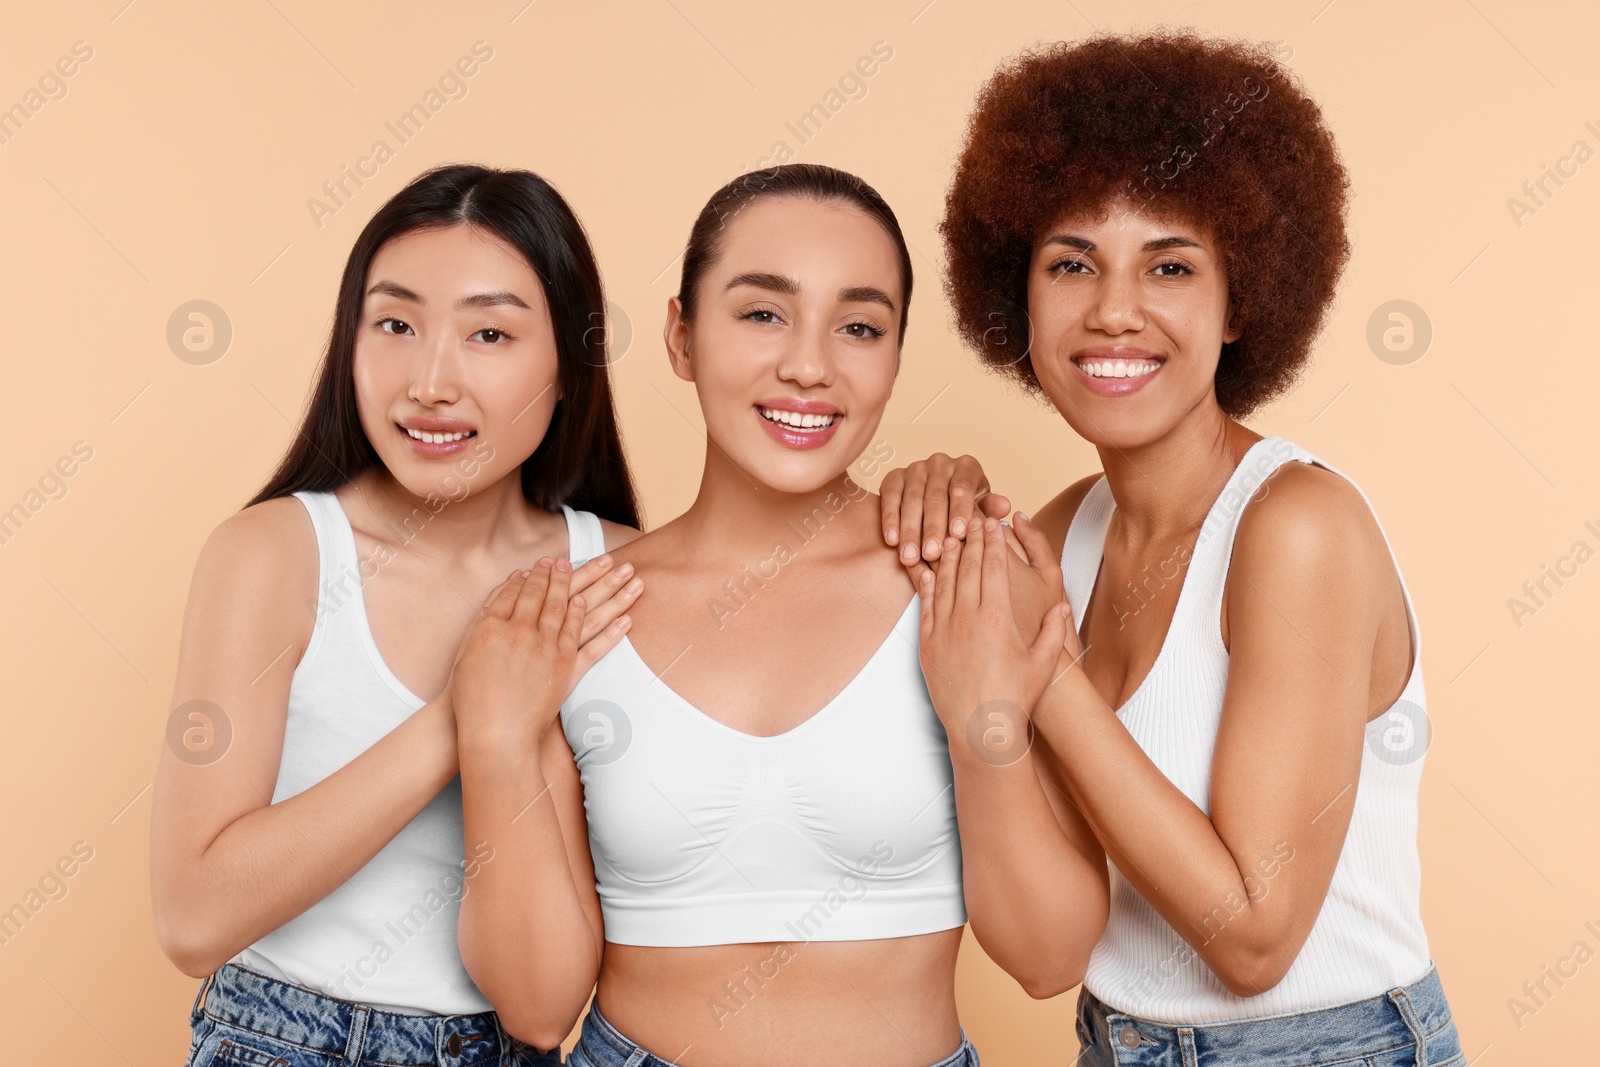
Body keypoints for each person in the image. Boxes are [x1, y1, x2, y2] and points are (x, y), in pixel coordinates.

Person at [449, 162, 1110, 1067]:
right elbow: (534, 1005)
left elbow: (1050, 958)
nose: (809, 365)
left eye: (860, 326)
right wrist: (490, 744)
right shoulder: (575, 608)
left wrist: (979, 725)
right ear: (682, 337)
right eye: (762, 312)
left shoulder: (961, 573)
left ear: (895, 356)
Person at [905, 32, 1465, 1065]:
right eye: (1070, 263)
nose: (1113, 309)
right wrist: (920, 515)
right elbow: (1043, 950)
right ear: (1015, 297)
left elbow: (1253, 935)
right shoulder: (1055, 536)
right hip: (1113, 1041)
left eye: (1169, 264)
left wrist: (1052, 680)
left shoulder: (1296, 526)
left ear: (1241, 299)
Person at [151, 164, 646, 1067]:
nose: (430, 381)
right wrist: (470, 713)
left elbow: (549, 1003)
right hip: (277, 1038)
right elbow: (192, 916)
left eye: (489, 332)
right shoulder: (274, 555)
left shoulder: (616, 574)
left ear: (571, 366)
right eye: (395, 324)